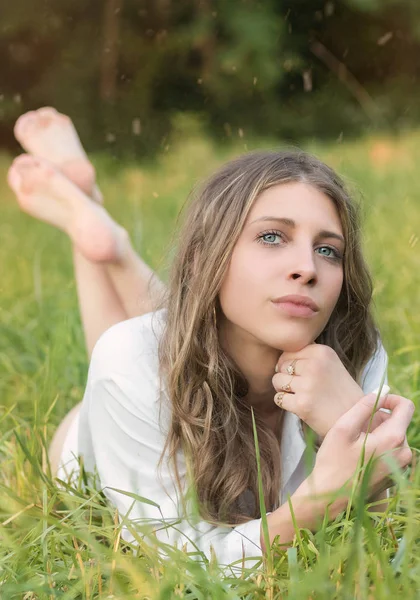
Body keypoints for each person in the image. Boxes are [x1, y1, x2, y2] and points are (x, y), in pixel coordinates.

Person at [7, 108, 414, 568]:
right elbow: (179, 563)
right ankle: (96, 228)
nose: (307, 267)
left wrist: (351, 423)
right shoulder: (129, 363)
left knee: (174, 335)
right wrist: (320, 499)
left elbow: (380, 533)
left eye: (327, 249)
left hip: (178, 344)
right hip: (93, 441)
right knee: (142, 350)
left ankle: (103, 234)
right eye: (272, 237)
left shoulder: (356, 351)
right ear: (204, 256)